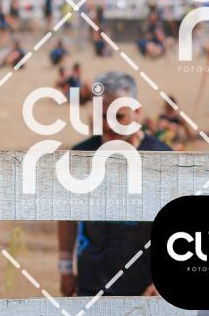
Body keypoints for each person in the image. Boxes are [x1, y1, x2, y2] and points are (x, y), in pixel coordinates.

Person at [58, 71, 169, 297]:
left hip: (144, 288)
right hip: (92, 284)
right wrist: (66, 268)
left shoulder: (161, 157)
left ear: (137, 112)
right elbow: (66, 215)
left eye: (119, 117)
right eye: (102, 116)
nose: (109, 125)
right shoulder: (82, 155)